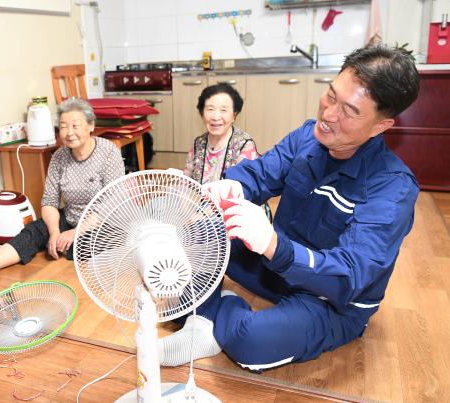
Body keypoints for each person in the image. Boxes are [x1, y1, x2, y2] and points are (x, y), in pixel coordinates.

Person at [158, 44, 420, 370]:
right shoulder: (306, 138)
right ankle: (208, 318)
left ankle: (209, 313)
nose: (328, 114)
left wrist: (272, 244)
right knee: (196, 232)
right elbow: (261, 173)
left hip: (331, 301)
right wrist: (230, 187)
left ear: (381, 126)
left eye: (350, 111)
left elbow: (349, 274)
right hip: (275, 269)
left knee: (252, 342)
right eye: (330, 95)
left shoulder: (392, 188)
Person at [0, 97, 125, 270]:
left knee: (87, 244)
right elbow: (49, 201)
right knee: (35, 230)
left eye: (75, 126)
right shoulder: (59, 157)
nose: (69, 132)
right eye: (63, 127)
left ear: (91, 125)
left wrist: (75, 233)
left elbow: (111, 204)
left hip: (104, 222)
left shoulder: (108, 152)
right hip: (71, 217)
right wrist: (55, 232)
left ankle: (65, 245)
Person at [183, 83, 271, 220]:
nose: (216, 116)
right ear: (202, 113)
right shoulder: (198, 144)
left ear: (234, 115)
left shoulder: (244, 145)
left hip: (236, 211)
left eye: (223, 110)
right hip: (201, 209)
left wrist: (200, 217)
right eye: (210, 109)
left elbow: (240, 194)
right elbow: (186, 184)